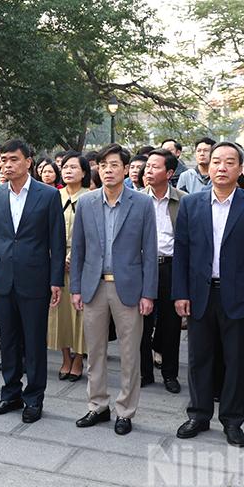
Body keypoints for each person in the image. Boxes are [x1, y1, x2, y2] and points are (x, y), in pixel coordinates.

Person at [173, 142, 244, 448]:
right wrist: (181, 293)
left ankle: (232, 420)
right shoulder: (192, 204)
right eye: (216, 161)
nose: (221, 167)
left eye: (229, 162)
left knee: (235, 361)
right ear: (208, 166)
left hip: (239, 297)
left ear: (239, 169)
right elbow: (183, 252)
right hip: (201, 294)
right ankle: (199, 414)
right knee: (199, 359)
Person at [71, 144, 157, 435]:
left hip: (129, 288)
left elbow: (150, 252)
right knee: (94, 351)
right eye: (103, 165)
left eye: (114, 165)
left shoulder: (142, 204)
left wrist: (149, 293)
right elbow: (79, 249)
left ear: (125, 168)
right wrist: (76, 289)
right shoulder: (86, 203)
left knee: (130, 353)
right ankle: (97, 405)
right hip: (94, 286)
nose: (108, 170)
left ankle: (125, 410)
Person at [0, 139, 66, 423]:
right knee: (8, 341)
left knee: (34, 342)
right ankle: (10, 394)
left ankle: (34, 398)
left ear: (28, 162)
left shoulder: (47, 195)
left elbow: (56, 241)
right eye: (3, 160)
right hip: (2, 278)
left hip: (35, 279)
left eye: (13, 159)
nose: (7, 165)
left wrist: (56, 281)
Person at [141, 149, 187, 394]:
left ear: (169, 173)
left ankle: (170, 374)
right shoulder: (136, 199)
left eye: (155, 167)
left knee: (171, 324)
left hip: (170, 267)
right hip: (142, 268)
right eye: (147, 166)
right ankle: (144, 372)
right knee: (141, 323)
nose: (148, 170)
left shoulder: (184, 200)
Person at [48, 151, 91, 382]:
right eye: (65, 167)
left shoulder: (91, 197)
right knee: (59, 312)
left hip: (82, 261)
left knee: (80, 312)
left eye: (74, 167)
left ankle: (78, 358)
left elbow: (94, 234)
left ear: (84, 172)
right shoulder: (53, 196)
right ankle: (65, 356)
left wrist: (74, 256)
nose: (68, 170)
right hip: (55, 260)